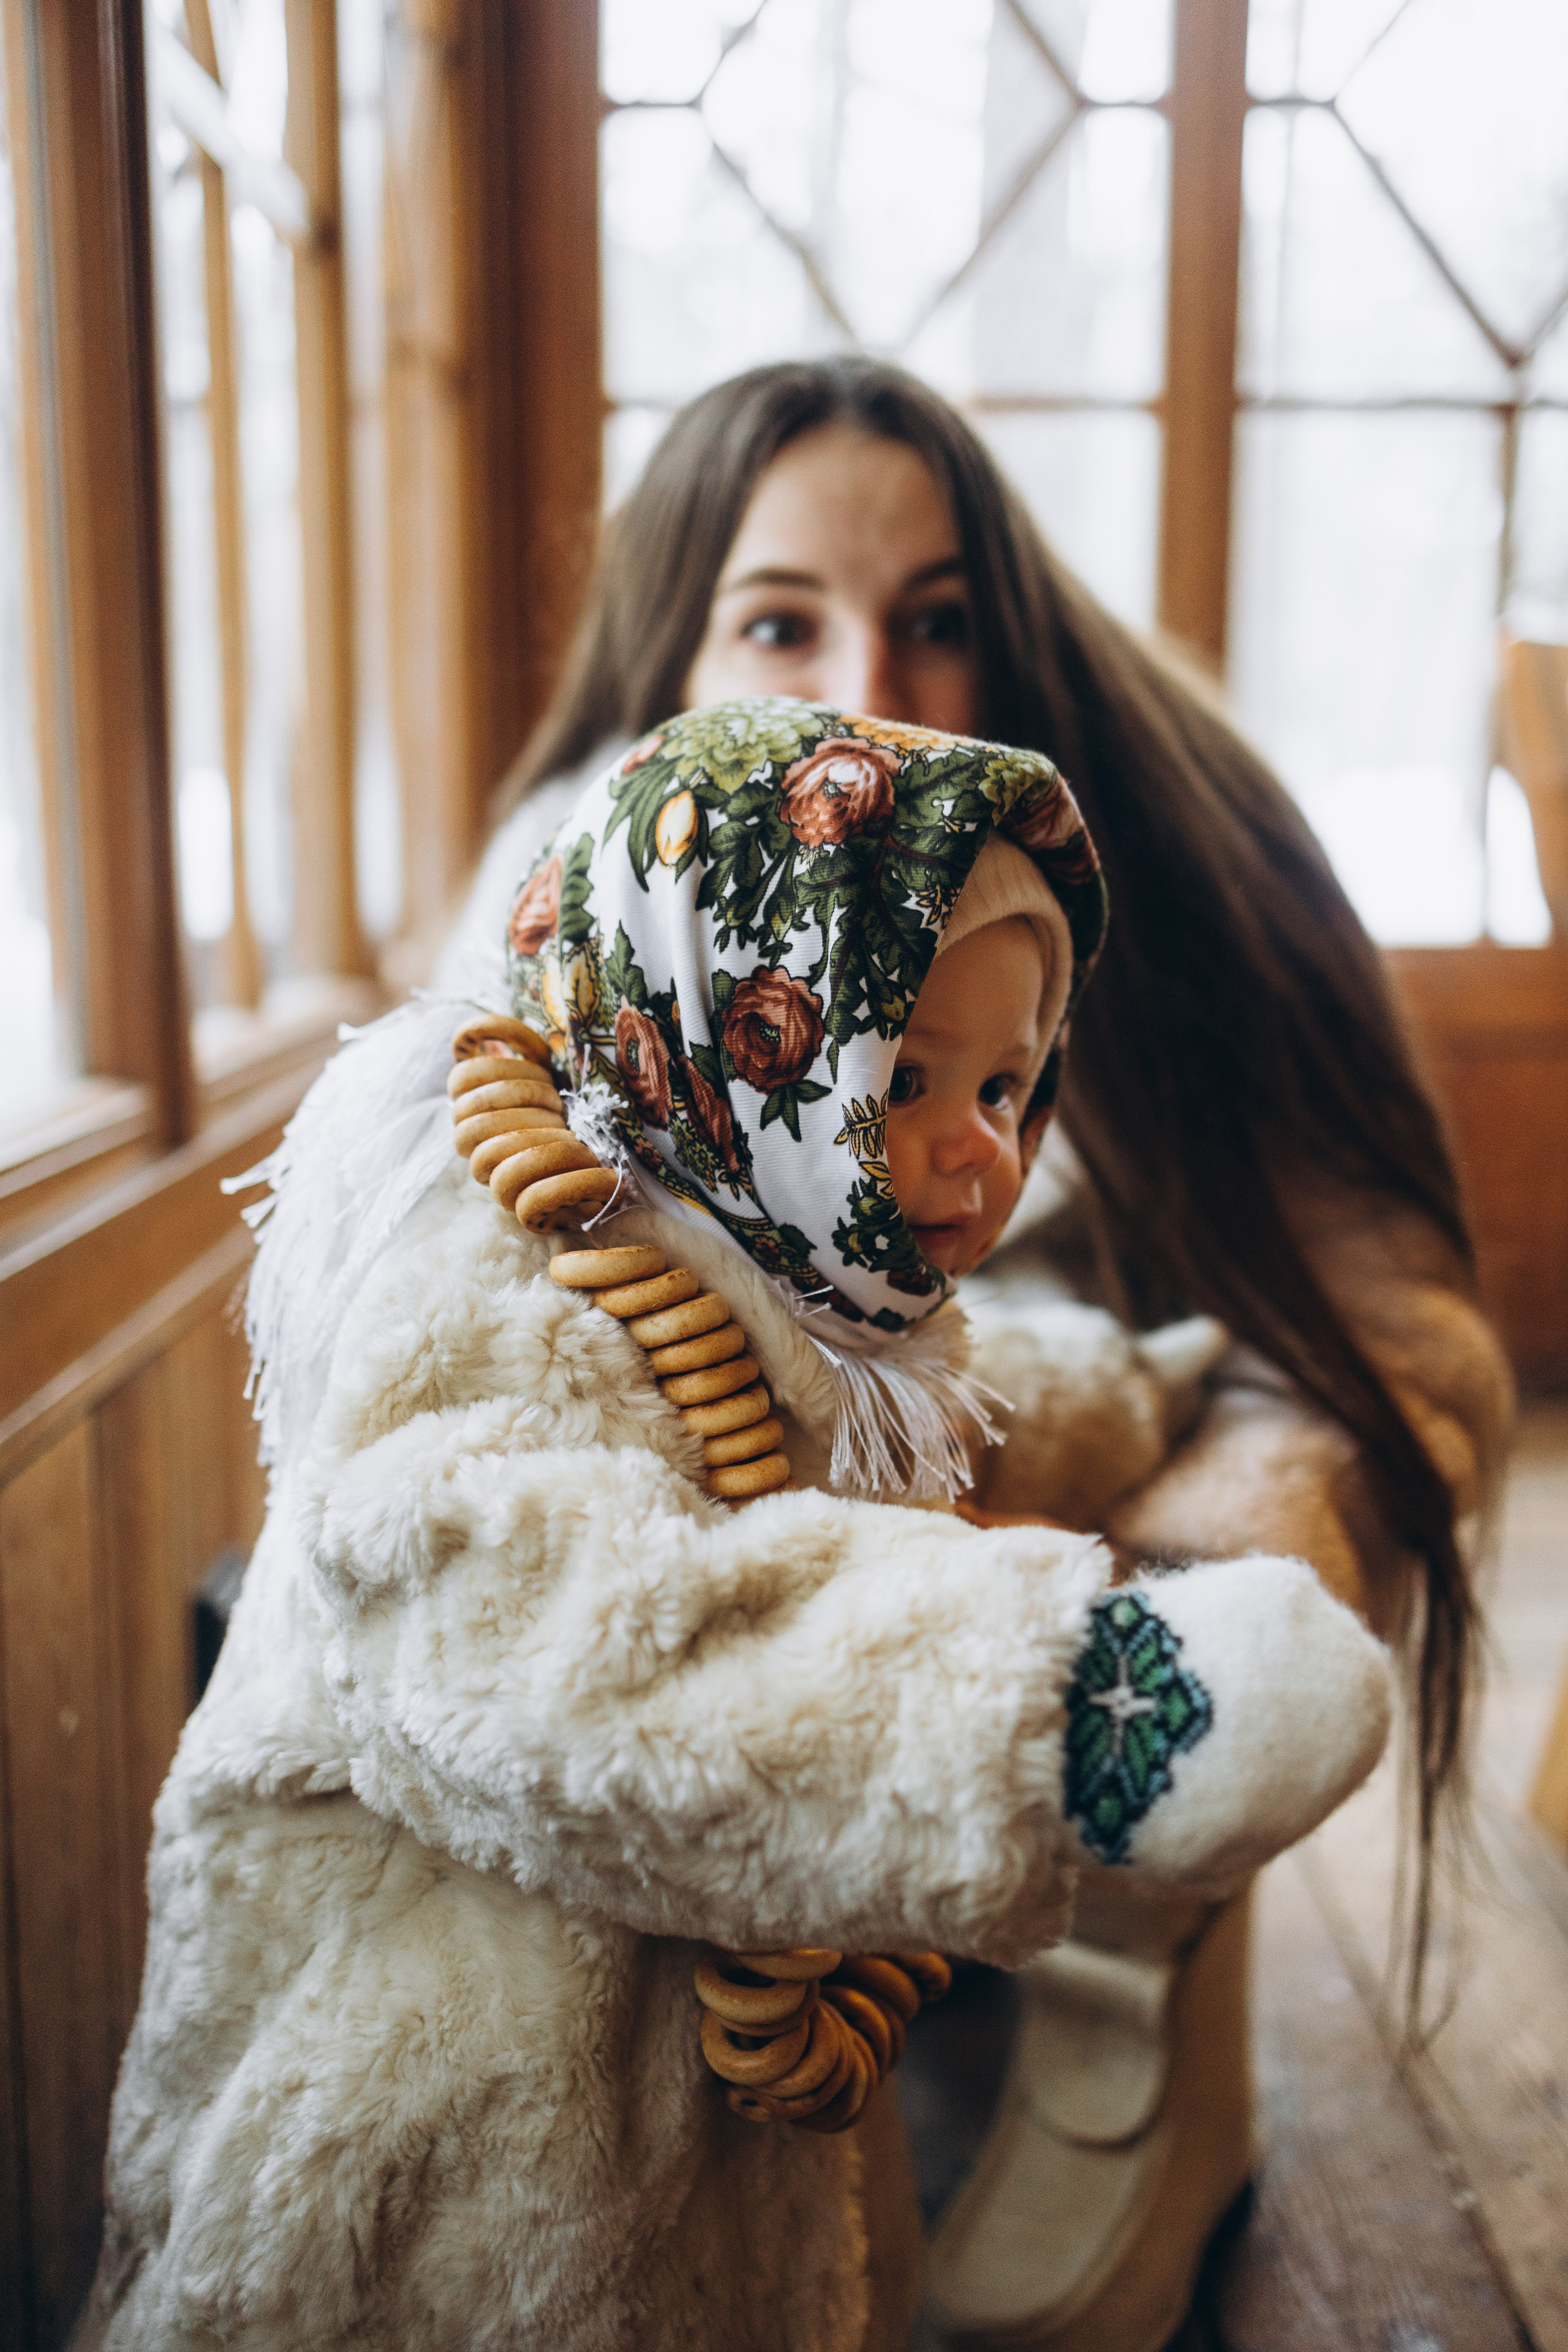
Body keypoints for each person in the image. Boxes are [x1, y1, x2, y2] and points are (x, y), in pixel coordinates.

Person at [88, 699, 1392, 2352]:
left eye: (1009, 1084)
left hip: (704, 2161)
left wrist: (1153, 1382)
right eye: (906, 1073)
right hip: (436, 2166)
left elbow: (934, 1410)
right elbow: (561, 1649)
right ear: (727, 1018)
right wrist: (1065, 1700)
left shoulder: (773, 1253)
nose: (979, 1147)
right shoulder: (491, 1294)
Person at [434, 359, 1515, 2348]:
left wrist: (1219, 1537)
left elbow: (1391, 1305)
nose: (880, 683)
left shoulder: (1176, 834)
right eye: (779, 621)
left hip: (1106, 1447)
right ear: (673, 659)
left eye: (940, 616)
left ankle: (1132, 1972)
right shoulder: (568, 896)